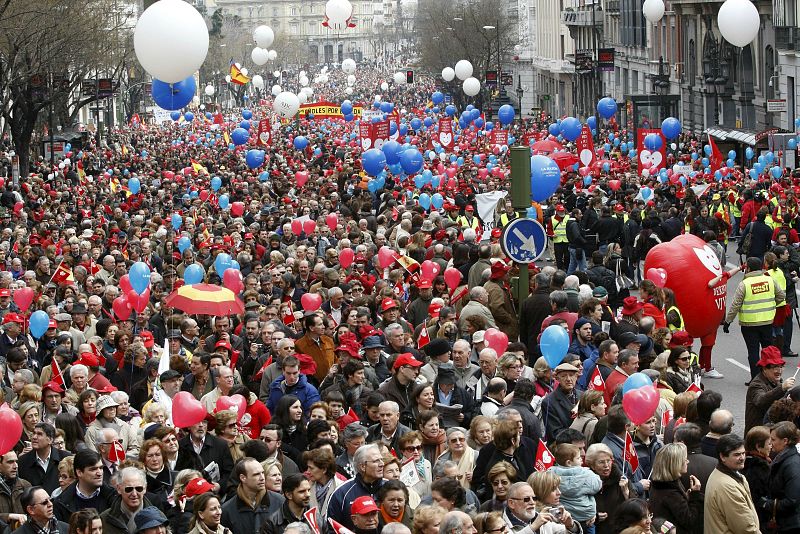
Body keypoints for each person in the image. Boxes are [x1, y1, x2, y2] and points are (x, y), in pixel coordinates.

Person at [724, 256, 785, 380]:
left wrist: (728, 321)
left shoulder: (744, 284)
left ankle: (756, 379)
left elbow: (736, 304)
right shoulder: (770, 280)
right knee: (768, 351)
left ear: (749, 269)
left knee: (753, 352)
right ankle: (772, 377)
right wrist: (772, 305)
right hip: (767, 322)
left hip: (749, 324)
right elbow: (781, 296)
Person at [704, 434, 760, 534]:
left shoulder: (725, 474)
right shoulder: (727, 486)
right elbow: (745, 528)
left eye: (743, 453)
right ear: (722, 456)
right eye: (737, 454)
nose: (742, 458)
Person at [327, 444, 385, 532]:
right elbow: (332, 527)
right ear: (362, 466)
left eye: (381, 459)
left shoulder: (391, 488)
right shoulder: (341, 493)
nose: (382, 464)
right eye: (376, 461)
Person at [648, 442, 704, 534]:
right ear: (675, 464)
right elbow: (690, 520)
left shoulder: (662, 485)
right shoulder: (670, 493)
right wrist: (695, 495)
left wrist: (687, 496)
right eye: (684, 459)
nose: (688, 461)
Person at [220, 457, 285, 533]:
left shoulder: (279, 501)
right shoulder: (227, 510)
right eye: (256, 474)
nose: (262, 478)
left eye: (262, 473)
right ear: (243, 478)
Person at [53, 450, 116, 522]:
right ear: (79, 472)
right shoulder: (61, 503)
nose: (99, 473)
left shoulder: (114, 497)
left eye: (101, 468)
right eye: (93, 469)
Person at [744, 346, 795, 433]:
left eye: (781, 367)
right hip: (758, 436)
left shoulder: (777, 381)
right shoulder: (756, 385)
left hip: (773, 432)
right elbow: (760, 400)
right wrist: (782, 388)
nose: (779, 371)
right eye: (775, 367)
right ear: (764, 368)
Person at [18, 423, 71, 494]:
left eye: (39, 434)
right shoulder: (23, 461)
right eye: (34, 433)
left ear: (50, 440)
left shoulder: (66, 458)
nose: (34, 437)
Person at [766, 421, 800, 532]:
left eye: (773, 439)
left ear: (785, 441)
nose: (770, 443)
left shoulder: (792, 465)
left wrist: (766, 504)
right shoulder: (782, 458)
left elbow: (792, 500)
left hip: (790, 525)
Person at [100, 467, 154, 534]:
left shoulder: (158, 517)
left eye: (139, 488)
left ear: (145, 488)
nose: (134, 494)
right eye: (129, 489)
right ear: (119, 489)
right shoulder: (105, 518)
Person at [541, 362, 580, 442]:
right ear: (557, 379)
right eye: (563, 376)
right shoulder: (549, 401)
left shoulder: (582, 396)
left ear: (576, 377)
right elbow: (554, 433)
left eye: (571, 375)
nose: (568, 379)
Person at [742, 426, 772, 528]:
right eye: (769, 443)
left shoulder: (743, 463)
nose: (771, 446)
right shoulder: (762, 469)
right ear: (758, 446)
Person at [0, 450, 30, 526]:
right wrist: (8, 516)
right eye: (10, 462)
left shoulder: (25, 485)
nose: (15, 466)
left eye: (16, 461)